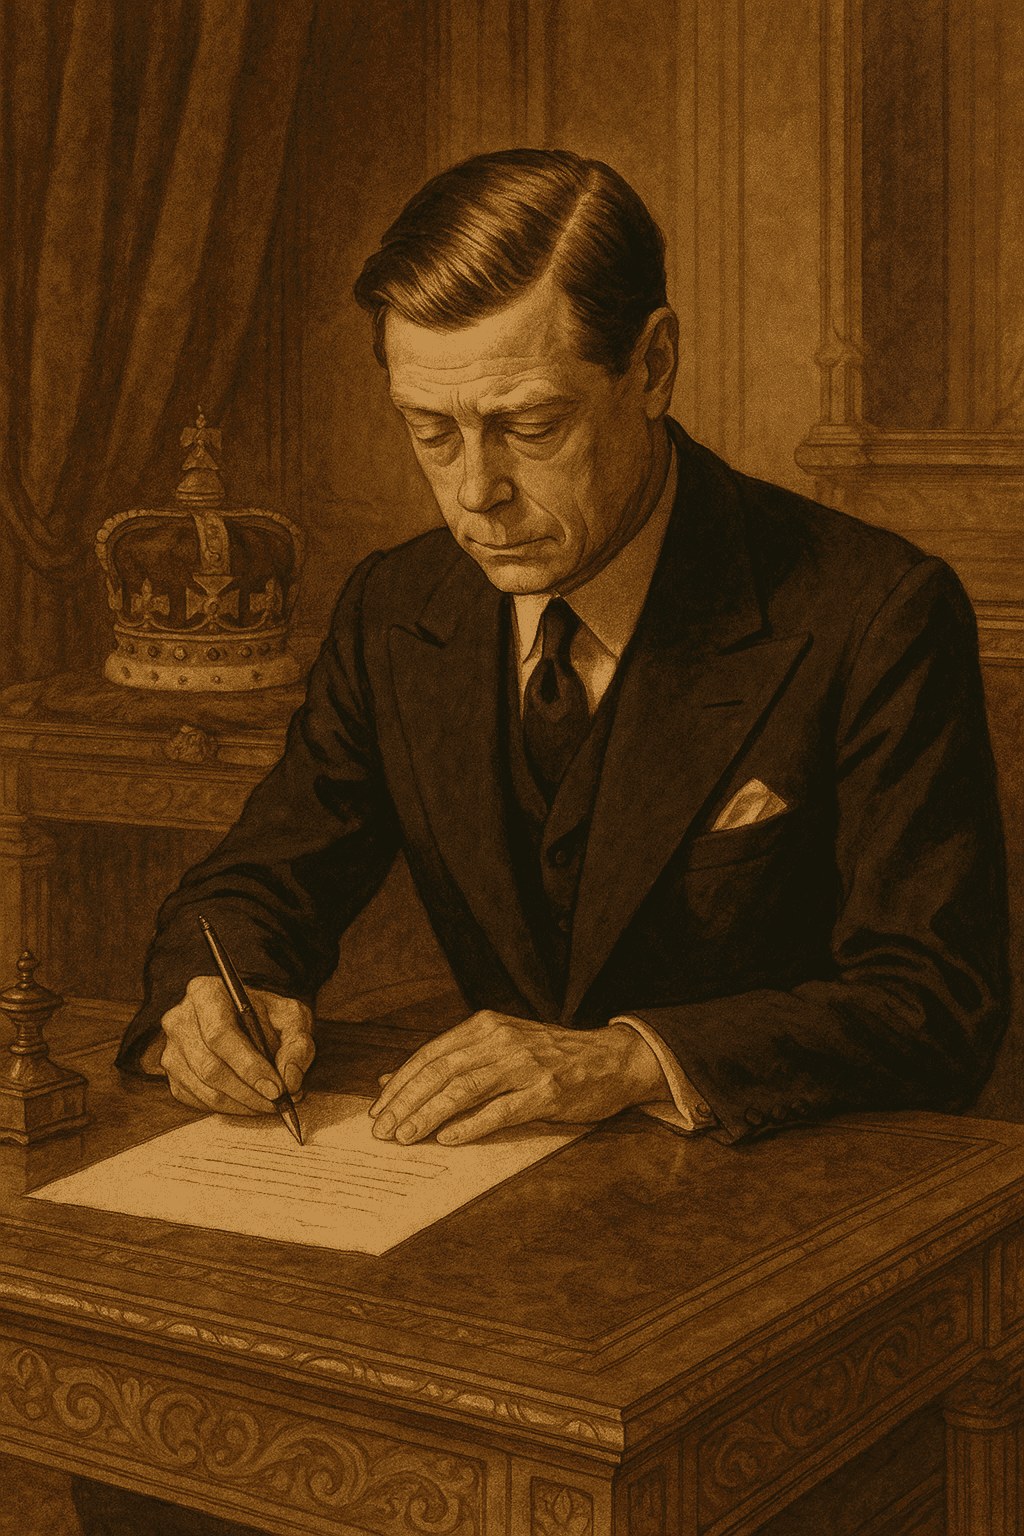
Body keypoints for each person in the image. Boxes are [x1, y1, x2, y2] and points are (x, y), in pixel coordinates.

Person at [116, 147, 1009, 1149]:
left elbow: (935, 1003)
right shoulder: (397, 610)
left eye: (529, 426)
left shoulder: (872, 610)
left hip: (772, 1187)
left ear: (652, 367)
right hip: (480, 1194)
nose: (474, 493)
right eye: (429, 431)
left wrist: (628, 1059)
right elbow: (258, 881)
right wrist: (219, 994)